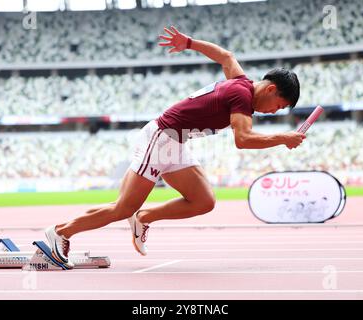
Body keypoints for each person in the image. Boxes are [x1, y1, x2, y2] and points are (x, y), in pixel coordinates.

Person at [45, 26, 306, 268]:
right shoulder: (242, 97)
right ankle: (60, 232)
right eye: (279, 106)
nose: (274, 112)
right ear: (271, 89)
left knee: (203, 201)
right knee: (122, 208)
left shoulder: (242, 83)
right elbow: (243, 140)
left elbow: (226, 56)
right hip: (161, 139)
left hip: (176, 142)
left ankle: (144, 217)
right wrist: (283, 138)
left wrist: (190, 42)